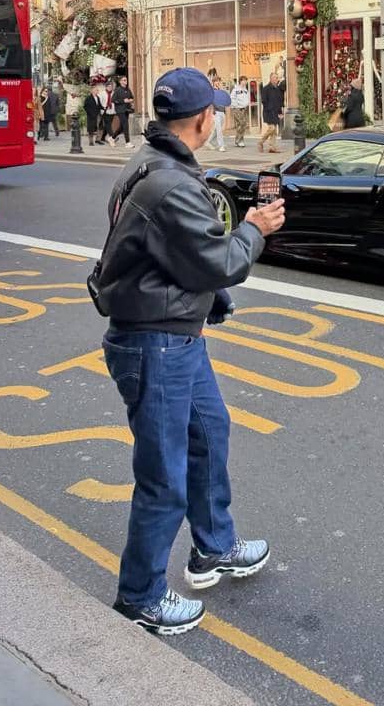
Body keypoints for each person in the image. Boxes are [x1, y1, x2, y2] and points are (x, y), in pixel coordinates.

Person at [97, 68, 286, 635]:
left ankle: (214, 547)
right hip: (155, 343)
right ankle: (140, 597)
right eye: (216, 111)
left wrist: (207, 305)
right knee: (163, 476)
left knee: (209, 431)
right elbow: (219, 261)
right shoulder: (172, 182)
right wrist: (255, 228)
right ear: (204, 119)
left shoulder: (153, 162)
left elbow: (170, 254)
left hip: (175, 333)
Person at [258, 72, 284, 153]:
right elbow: (264, 101)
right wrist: (269, 109)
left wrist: (280, 112)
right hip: (268, 112)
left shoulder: (278, 89)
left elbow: (279, 102)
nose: (276, 79)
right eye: (275, 77)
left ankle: (272, 147)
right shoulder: (266, 88)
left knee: (274, 131)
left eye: (277, 78)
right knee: (272, 128)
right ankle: (260, 142)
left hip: (275, 112)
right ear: (271, 79)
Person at [113, 76, 136, 149]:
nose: (126, 81)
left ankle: (112, 138)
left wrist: (131, 100)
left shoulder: (128, 89)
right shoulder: (117, 90)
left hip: (127, 109)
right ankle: (127, 143)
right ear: (120, 82)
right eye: (124, 80)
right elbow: (113, 100)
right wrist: (123, 101)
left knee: (122, 127)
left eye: (126, 80)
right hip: (120, 110)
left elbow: (132, 97)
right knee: (125, 125)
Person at [209, 77, 230, 151]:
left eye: (219, 81)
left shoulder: (221, 91)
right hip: (216, 112)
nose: (218, 82)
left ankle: (209, 141)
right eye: (216, 81)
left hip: (222, 111)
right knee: (219, 130)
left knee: (217, 129)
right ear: (213, 82)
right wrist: (213, 110)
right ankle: (221, 145)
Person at [230, 77, 250, 148]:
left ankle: (238, 140)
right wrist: (236, 106)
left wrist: (246, 104)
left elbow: (247, 98)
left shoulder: (246, 90)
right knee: (242, 123)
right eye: (244, 80)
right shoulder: (235, 90)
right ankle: (240, 140)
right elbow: (232, 98)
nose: (245, 82)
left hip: (244, 109)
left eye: (246, 81)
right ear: (240, 81)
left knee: (241, 125)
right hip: (237, 109)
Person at [102, 79, 117, 147]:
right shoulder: (102, 93)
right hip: (104, 111)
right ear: (106, 87)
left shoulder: (114, 93)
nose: (110, 88)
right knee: (108, 124)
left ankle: (102, 137)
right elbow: (100, 102)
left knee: (108, 124)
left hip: (112, 111)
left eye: (111, 87)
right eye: (109, 86)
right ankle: (112, 136)